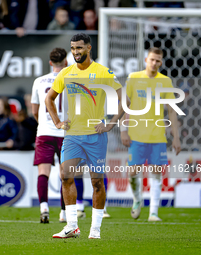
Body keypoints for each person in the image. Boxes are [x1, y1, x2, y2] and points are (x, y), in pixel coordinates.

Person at [45, 33, 126, 239]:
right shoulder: (66, 73)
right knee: (66, 176)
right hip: (72, 136)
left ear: (89, 48)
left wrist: (111, 123)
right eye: (72, 48)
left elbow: (123, 98)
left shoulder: (103, 72)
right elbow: (49, 99)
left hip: (95, 137)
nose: (75, 52)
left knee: (97, 182)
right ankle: (72, 226)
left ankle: (95, 229)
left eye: (79, 48)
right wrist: (57, 122)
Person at [120, 47, 181, 222]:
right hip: (136, 135)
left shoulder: (165, 81)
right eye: (152, 59)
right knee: (132, 172)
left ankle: (153, 212)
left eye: (158, 61)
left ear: (161, 62)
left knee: (156, 172)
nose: (154, 63)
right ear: (146, 59)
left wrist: (176, 137)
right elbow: (125, 105)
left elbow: (171, 111)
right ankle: (137, 199)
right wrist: (123, 130)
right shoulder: (134, 78)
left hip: (157, 135)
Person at [31, 48, 67, 223]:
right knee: (65, 173)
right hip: (65, 132)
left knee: (43, 172)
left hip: (44, 132)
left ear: (50, 62)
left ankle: (44, 208)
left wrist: (43, 123)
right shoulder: (70, 80)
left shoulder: (39, 81)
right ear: (66, 62)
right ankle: (64, 213)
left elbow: (34, 110)